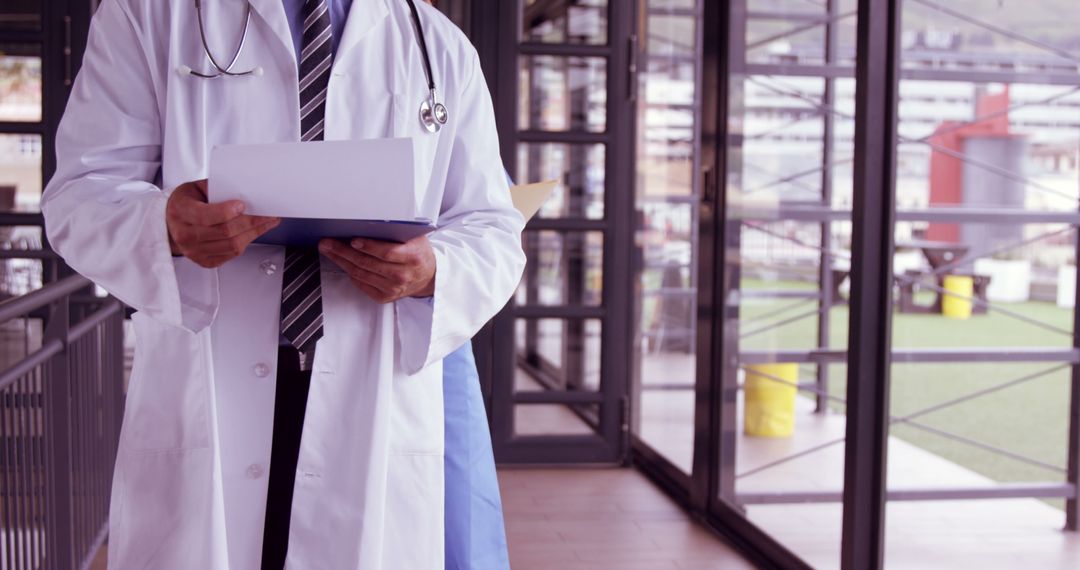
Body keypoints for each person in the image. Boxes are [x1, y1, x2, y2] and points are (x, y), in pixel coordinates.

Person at [42, 0, 526, 568]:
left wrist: (434, 269)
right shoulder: (149, 15)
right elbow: (78, 196)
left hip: (368, 387)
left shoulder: (436, 43)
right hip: (212, 374)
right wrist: (166, 225)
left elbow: (492, 227)